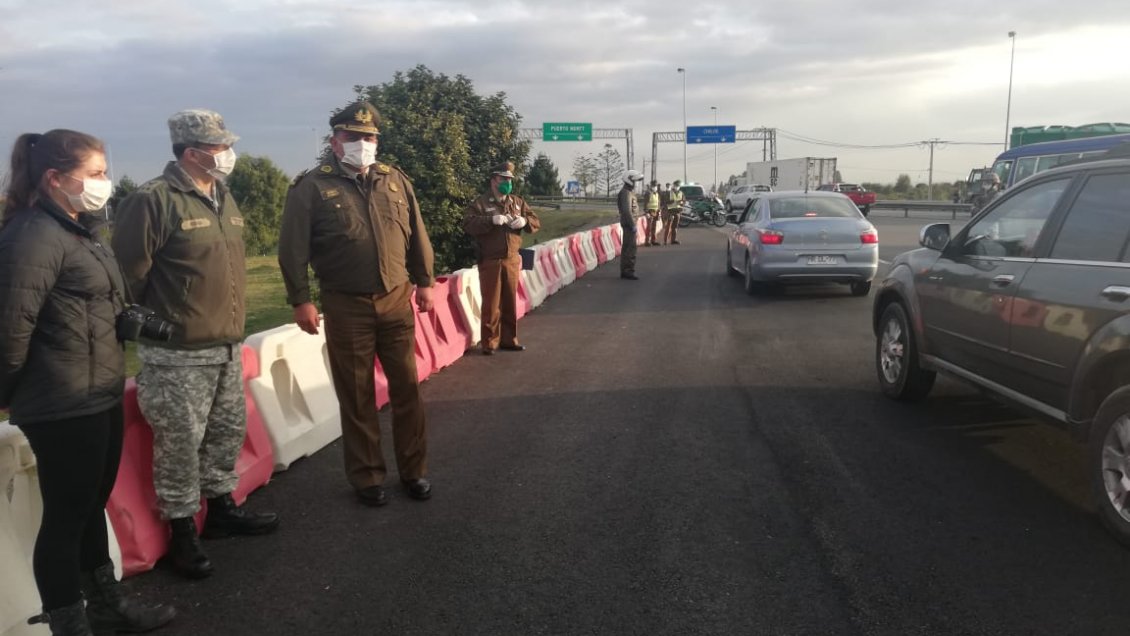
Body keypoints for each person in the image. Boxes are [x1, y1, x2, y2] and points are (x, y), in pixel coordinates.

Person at [0, 130, 175, 635]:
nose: (105, 183)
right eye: (95, 174)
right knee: (64, 519)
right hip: (60, 399)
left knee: (88, 505)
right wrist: (8, 395)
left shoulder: (77, 229)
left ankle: (105, 605)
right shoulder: (31, 236)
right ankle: (68, 622)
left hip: (96, 389)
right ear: (55, 178)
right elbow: (11, 328)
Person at [113, 110, 279, 580]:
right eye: (219, 147)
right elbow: (127, 278)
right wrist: (163, 321)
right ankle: (181, 531)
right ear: (191, 153)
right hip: (177, 355)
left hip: (226, 345)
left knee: (225, 432)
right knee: (180, 444)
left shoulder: (222, 196)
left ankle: (220, 509)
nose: (228, 155)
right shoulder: (154, 200)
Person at [278, 102, 435, 507]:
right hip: (346, 305)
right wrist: (301, 300)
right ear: (334, 142)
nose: (363, 144)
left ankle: (414, 470)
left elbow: (417, 233)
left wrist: (426, 282)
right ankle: (367, 477)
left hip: (397, 298)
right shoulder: (310, 188)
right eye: (353, 137)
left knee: (407, 391)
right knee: (357, 394)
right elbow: (292, 250)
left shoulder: (395, 181)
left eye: (369, 138)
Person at [462, 161, 540, 355]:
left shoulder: (517, 202)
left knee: (509, 302)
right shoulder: (480, 203)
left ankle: (509, 339)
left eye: (510, 180)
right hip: (490, 259)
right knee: (491, 303)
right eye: (504, 179)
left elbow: (535, 222)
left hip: (512, 259)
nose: (508, 183)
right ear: (494, 180)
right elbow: (468, 225)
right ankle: (489, 342)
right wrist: (491, 220)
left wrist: (524, 221)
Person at [617, 170, 644, 280]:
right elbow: (627, 211)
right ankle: (628, 271)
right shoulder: (626, 193)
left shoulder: (629, 192)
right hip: (629, 225)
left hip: (630, 223)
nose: (637, 183)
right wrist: (633, 225)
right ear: (629, 180)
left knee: (628, 247)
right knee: (630, 248)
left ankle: (626, 270)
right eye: (635, 181)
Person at [663, 179, 684, 245]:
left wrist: (682, 202)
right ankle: (665, 241)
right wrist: (671, 202)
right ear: (674, 186)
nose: (677, 187)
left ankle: (673, 240)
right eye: (676, 185)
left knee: (675, 227)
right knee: (668, 226)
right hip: (671, 212)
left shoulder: (681, 193)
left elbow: (684, 200)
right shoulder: (670, 193)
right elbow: (665, 202)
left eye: (678, 186)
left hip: (677, 212)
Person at [644, 180, 661, 246]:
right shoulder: (648, 193)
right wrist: (646, 212)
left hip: (655, 211)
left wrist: (659, 211)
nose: (655, 187)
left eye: (656, 186)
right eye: (654, 186)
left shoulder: (657, 194)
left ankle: (653, 240)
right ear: (651, 186)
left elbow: (658, 203)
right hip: (650, 211)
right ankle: (647, 241)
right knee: (649, 227)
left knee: (654, 227)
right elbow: (646, 203)